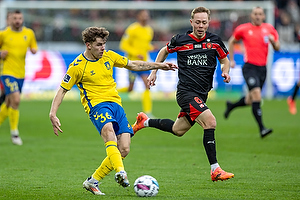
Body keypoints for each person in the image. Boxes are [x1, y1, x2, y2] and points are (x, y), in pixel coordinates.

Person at [49, 27, 177, 196]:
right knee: (109, 132)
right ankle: (120, 172)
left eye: (104, 44)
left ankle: (92, 181)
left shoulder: (109, 56)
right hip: (97, 106)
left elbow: (133, 64)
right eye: (99, 45)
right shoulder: (77, 66)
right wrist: (53, 113)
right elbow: (62, 90)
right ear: (88, 45)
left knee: (124, 148)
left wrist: (159, 66)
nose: (103, 48)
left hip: (116, 105)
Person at [132, 6, 234, 182]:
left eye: (204, 22)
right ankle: (215, 169)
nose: (201, 26)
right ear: (191, 22)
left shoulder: (215, 41)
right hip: (186, 93)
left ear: (208, 22)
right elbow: (163, 51)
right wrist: (154, 71)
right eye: (198, 22)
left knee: (177, 130)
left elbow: (225, 60)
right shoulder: (180, 40)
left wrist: (226, 71)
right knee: (210, 121)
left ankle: (145, 121)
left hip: (202, 95)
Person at [224, 6, 280, 138]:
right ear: (252, 16)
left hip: (262, 68)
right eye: (255, 14)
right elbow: (232, 41)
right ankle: (262, 129)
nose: (258, 16)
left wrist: (273, 42)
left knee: (250, 100)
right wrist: (231, 59)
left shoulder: (269, 29)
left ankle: (231, 106)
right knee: (257, 94)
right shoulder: (244, 29)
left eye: (260, 14)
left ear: (264, 16)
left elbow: (278, 47)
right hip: (249, 67)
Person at [0, 10, 38, 145]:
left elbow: (34, 47)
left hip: (21, 73)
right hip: (7, 72)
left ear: (22, 19)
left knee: (9, 103)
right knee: (16, 100)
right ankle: (15, 133)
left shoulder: (29, 33)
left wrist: (34, 50)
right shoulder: (3, 34)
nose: (17, 20)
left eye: (19, 18)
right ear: (11, 20)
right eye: (15, 18)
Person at [119, 10, 154, 117]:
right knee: (130, 89)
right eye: (143, 15)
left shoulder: (149, 30)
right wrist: (136, 53)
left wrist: (152, 48)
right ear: (138, 17)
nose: (146, 17)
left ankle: (147, 112)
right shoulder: (132, 29)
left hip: (143, 63)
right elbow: (123, 45)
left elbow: (145, 45)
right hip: (132, 63)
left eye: (147, 15)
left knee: (147, 84)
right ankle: (110, 91)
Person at [0, 11, 13, 106]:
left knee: (8, 97)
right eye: (11, 19)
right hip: (2, 68)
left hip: (12, 70)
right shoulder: (2, 34)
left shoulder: (21, 35)